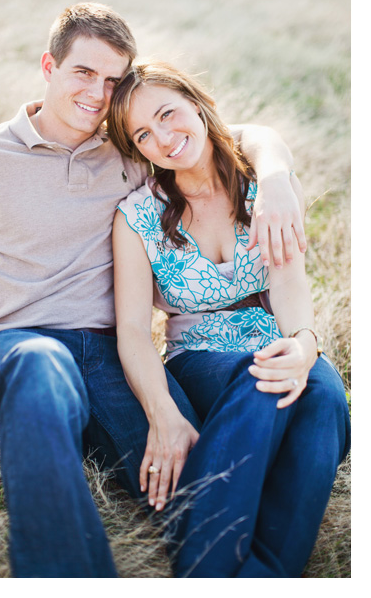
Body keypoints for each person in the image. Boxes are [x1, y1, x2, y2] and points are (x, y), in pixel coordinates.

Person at [0, 2, 306, 577]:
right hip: (16, 348)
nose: (98, 92)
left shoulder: (132, 150)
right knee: (41, 371)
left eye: (113, 80)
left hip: (111, 352)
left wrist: (278, 179)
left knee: (191, 482)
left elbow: (235, 135)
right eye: (83, 73)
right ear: (49, 66)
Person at [107, 60, 350, 577]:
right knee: (262, 375)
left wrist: (306, 344)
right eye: (144, 135)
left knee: (326, 391)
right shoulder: (137, 216)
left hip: (270, 338)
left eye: (168, 114)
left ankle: (260, 575)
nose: (165, 139)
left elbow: (288, 284)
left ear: (196, 102)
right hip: (200, 357)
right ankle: (208, 568)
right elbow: (131, 332)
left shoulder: (267, 189)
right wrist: (160, 410)